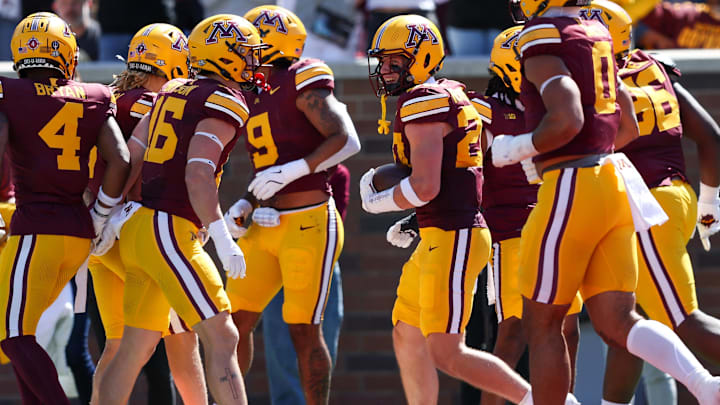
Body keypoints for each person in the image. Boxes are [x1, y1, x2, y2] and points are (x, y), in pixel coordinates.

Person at [495, 0, 720, 402]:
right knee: (619, 321)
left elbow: (567, 118)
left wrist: (520, 147)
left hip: (573, 184)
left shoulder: (541, 36)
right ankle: (707, 387)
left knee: (543, 322)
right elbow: (627, 123)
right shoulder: (596, 34)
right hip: (615, 182)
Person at [359, 14, 580, 405]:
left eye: (396, 61)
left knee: (451, 351)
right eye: (385, 62)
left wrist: (378, 202)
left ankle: (551, 402)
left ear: (422, 58)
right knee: (407, 331)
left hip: (457, 234)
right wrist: (410, 210)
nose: (386, 70)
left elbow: (427, 184)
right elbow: (452, 170)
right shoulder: (447, 95)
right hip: (442, 231)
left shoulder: (425, 100)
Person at [95, 14, 267, 405]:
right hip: (169, 228)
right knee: (223, 335)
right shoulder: (225, 100)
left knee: (131, 350)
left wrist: (108, 212)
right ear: (224, 56)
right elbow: (198, 173)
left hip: (137, 226)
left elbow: (133, 154)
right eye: (245, 54)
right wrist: (222, 238)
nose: (253, 62)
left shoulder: (172, 90)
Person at [578, 2, 720, 404]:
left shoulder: (601, 83)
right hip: (670, 198)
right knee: (626, 325)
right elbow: (710, 137)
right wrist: (709, 204)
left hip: (647, 206)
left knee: (683, 321)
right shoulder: (654, 68)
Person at [223, 5, 360, 404]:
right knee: (232, 325)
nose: (241, 52)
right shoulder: (252, 92)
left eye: (248, 44)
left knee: (303, 330)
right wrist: (245, 202)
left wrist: (295, 170)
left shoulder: (302, 76)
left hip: (308, 221)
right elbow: (268, 167)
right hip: (264, 222)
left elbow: (347, 140)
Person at [0, 11, 130, 404]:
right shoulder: (94, 95)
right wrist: (102, 212)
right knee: (23, 336)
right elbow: (120, 159)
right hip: (78, 233)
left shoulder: (11, 93)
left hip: (35, 231)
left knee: (13, 335)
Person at [88, 22, 208, 405]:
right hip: (133, 233)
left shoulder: (108, 97)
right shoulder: (155, 105)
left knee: (118, 346)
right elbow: (145, 166)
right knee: (183, 337)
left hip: (98, 234)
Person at [468, 26, 584, 405]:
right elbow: (466, 171)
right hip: (512, 232)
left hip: (558, 224)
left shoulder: (555, 107)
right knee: (512, 332)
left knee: (568, 326)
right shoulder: (485, 112)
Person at [261, 164, 349, 405]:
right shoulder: (275, 167)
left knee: (320, 346)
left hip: (322, 267)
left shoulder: (337, 174)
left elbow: (330, 228)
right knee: (281, 354)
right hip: (280, 268)